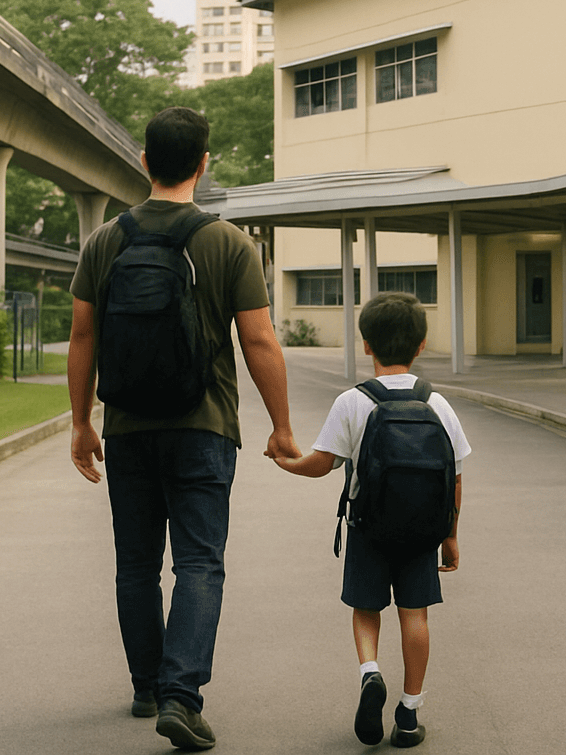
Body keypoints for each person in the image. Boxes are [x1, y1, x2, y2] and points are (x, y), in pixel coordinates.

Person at [68, 106, 300, 752]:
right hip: (203, 426)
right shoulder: (227, 242)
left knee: (136, 564)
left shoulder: (105, 241)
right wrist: (281, 426)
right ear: (204, 164)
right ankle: (181, 696)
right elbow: (259, 340)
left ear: (143, 161)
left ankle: (147, 685)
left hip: (129, 428)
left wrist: (83, 423)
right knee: (199, 562)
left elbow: (84, 336)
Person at [275, 291, 471, 749]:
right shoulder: (438, 404)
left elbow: (323, 463)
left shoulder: (352, 402)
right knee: (414, 614)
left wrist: (287, 462)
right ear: (421, 345)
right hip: (422, 532)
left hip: (368, 528)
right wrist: (450, 536)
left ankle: (370, 673)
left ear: (366, 345)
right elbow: (455, 477)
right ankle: (409, 712)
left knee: (366, 610)